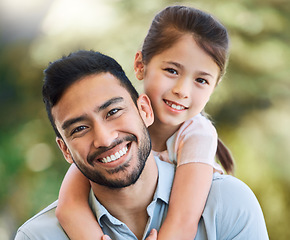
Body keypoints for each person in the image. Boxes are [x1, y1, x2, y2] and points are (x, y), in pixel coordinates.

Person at [15, 49, 269, 240]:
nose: (104, 139)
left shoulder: (227, 204)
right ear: (65, 150)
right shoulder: (38, 237)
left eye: (113, 111)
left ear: (145, 110)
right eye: (80, 129)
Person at [55, 5, 235, 240]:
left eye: (201, 80)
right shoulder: (115, 131)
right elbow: (69, 208)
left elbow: (183, 221)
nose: (182, 90)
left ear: (213, 88)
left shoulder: (197, 135)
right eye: (172, 70)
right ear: (140, 65)